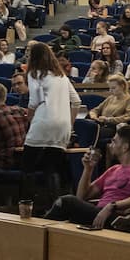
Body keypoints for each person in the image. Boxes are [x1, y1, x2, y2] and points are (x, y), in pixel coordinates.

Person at [41, 124, 130, 227]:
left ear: (125, 147)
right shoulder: (114, 170)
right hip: (98, 213)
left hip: (115, 217)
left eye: (114, 141)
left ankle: (38, 229)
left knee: (66, 201)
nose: (110, 145)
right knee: (67, 206)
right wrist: (88, 169)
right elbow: (82, 196)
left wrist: (113, 206)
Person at [23, 41, 79, 214]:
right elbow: (76, 101)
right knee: (52, 168)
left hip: (43, 122)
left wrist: (29, 119)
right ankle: (54, 209)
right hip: (62, 127)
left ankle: (26, 207)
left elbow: (34, 101)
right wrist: (69, 124)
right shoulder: (62, 76)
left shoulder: (35, 73)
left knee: (27, 168)